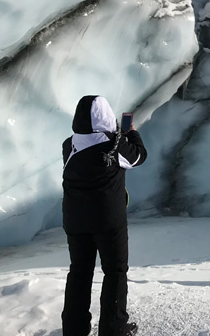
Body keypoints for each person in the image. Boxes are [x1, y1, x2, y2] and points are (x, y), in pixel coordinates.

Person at [61, 95, 147, 336]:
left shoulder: (70, 144)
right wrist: (131, 133)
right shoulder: (114, 145)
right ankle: (114, 329)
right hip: (108, 221)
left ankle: (74, 329)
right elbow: (139, 156)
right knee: (115, 271)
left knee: (79, 271)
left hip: (75, 220)